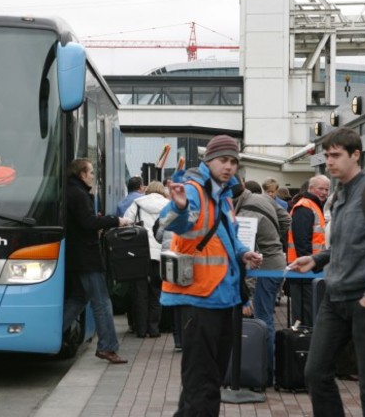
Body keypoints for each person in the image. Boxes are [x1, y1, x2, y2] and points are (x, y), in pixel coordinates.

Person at [158, 135, 263, 416]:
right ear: (208, 161)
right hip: (200, 298)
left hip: (220, 298)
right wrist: (178, 207)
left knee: (208, 380)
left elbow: (225, 236)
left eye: (233, 161)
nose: (228, 167)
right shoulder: (194, 190)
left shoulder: (224, 195)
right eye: (223, 160)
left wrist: (242, 252)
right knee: (202, 382)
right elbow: (170, 226)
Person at [288, 128, 365, 417]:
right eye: (327, 155)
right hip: (335, 298)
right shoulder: (338, 195)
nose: (329, 162)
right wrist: (316, 259)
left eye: (336, 155)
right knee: (316, 373)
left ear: (356, 155)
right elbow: (346, 246)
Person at [62, 158, 130, 364]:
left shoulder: (71, 191)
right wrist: (115, 220)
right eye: (91, 172)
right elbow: (88, 222)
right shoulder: (79, 194)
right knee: (101, 302)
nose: (93, 176)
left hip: (77, 256)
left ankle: (51, 331)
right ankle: (108, 347)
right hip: (87, 257)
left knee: (78, 299)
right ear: (82, 174)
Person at [232, 179, 291, 387]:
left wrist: (246, 293)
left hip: (263, 267)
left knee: (264, 320)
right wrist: (273, 242)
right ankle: (267, 371)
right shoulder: (264, 198)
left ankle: (266, 374)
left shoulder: (244, 214)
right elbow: (286, 220)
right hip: (276, 263)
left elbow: (244, 253)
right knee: (266, 319)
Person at [123, 181, 169, 338]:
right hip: (159, 254)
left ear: (147, 191)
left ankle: (141, 330)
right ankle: (154, 329)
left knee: (140, 293)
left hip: (140, 254)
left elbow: (126, 223)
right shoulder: (168, 205)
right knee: (156, 293)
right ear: (162, 191)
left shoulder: (137, 204)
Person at [286, 174, 330, 326]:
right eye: (321, 189)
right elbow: (302, 241)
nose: (324, 192)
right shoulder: (305, 207)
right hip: (304, 272)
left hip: (310, 270)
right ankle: (303, 347)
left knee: (309, 315)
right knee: (305, 317)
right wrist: (310, 265)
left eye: (327, 189)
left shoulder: (313, 206)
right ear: (311, 189)